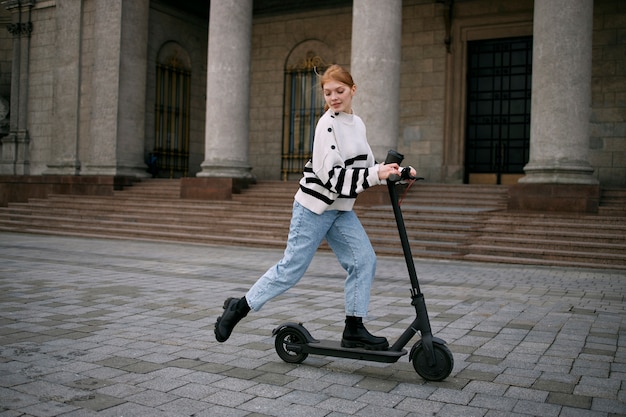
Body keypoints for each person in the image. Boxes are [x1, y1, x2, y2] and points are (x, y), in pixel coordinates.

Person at [215, 64, 415, 350]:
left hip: (340, 210)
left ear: (353, 90)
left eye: (340, 91)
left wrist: (399, 171)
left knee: (364, 260)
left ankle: (354, 329)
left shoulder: (356, 123)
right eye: (328, 92)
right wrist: (376, 174)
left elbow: (367, 167)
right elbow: (333, 178)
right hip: (313, 208)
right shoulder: (326, 126)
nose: (334, 97)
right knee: (290, 270)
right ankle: (239, 307)